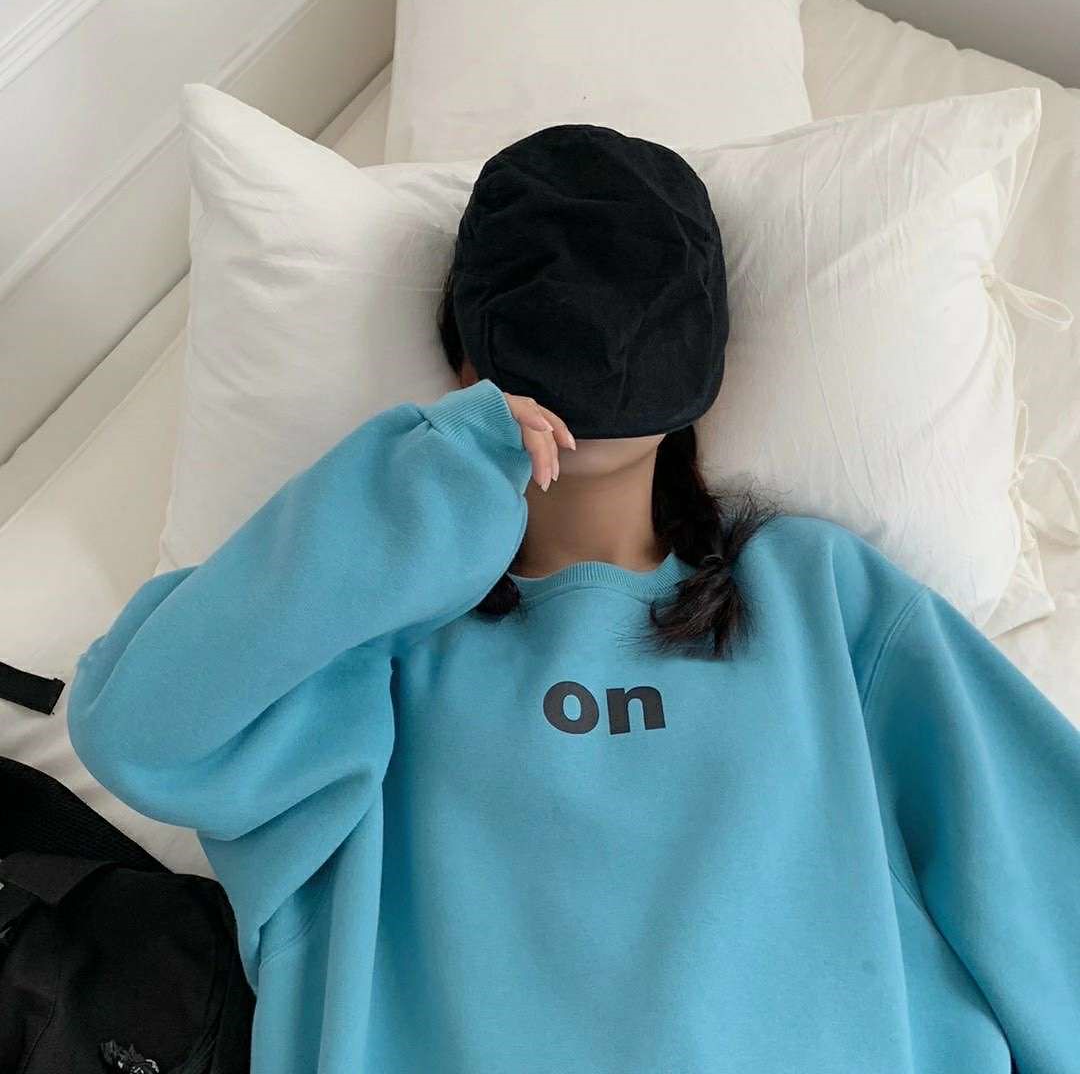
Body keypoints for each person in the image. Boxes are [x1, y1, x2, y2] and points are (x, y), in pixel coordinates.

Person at [67, 124, 1080, 1074]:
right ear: (463, 355)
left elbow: (1041, 867)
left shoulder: (817, 593)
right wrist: (421, 483)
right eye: (550, 310)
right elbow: (136, 728)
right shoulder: (367, 627)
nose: (594, 351)